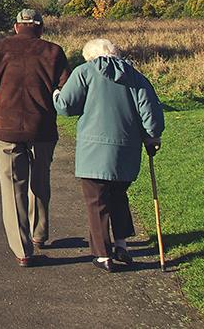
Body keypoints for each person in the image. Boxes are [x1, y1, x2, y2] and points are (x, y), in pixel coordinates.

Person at [53, 38, 164, 272]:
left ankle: (103, 255)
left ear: (90, 56)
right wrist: (152, 137)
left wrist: (55, 94)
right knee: (118, 196)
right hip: (127, 150)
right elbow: (150, 114)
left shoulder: (84, 72)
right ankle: (121, 245)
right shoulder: (136, 76)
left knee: (97, 201)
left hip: (93, 152)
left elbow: (65, 106)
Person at [0, 9, 70, 267]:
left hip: (6, 129)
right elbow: (66, 89)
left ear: (16, 27)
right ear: (39, 28)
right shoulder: (54, 51)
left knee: (13, 188)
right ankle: (39, 233)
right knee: (40, 181)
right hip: (42, 128)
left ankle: (23, 249)